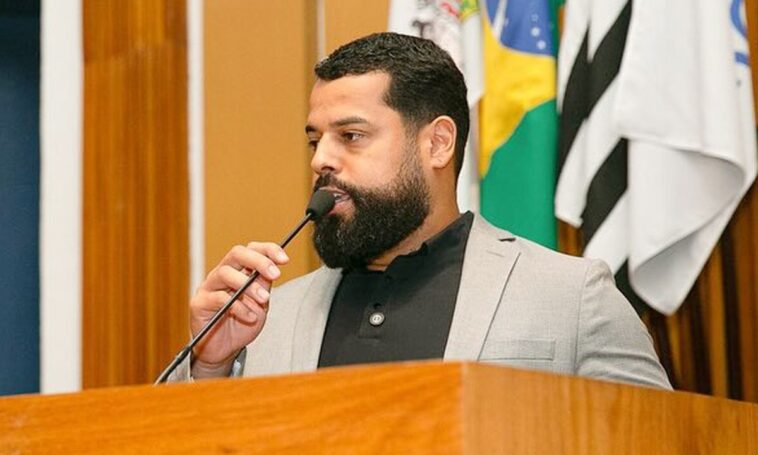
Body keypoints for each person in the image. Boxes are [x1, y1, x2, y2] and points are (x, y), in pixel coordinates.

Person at [170, 33, 671, 389]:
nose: (321, 159)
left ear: (437, 143)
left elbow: (658, 437)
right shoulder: (266, 318)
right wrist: (210, 365)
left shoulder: (573, 296)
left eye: (351, 136)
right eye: (314, 141)